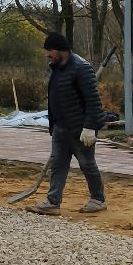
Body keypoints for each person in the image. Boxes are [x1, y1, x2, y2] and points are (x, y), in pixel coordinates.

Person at [35, 31, 105, 214]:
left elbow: (93, 100)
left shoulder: (82, 68)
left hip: (80, 130)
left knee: (87, 164)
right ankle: (53, 201)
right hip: (60, 128)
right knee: (58, 164)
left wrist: (90, 127)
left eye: (50, 50)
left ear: (60, 50)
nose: (47, 55)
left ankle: (98, 200)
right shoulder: (56, 68)